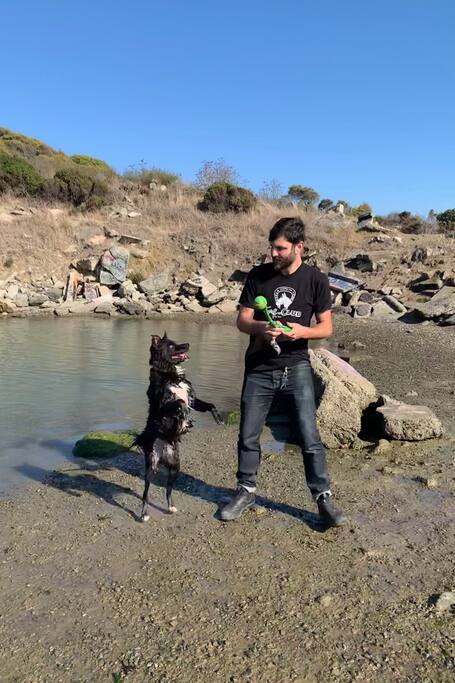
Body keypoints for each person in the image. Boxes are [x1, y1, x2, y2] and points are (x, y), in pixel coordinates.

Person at [220, 216, 345, 526]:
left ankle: (323, 498)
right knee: (248, 434)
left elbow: (326, 328)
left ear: (298, 247)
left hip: (297, 367)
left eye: (280, 248)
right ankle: (246, 491)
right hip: (259, 367)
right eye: (271, 247)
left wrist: (300, 332)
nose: (273, 254)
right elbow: (242, 320)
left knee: (309, 436)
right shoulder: (258, 276)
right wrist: (261, 328)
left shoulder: (315, 280)